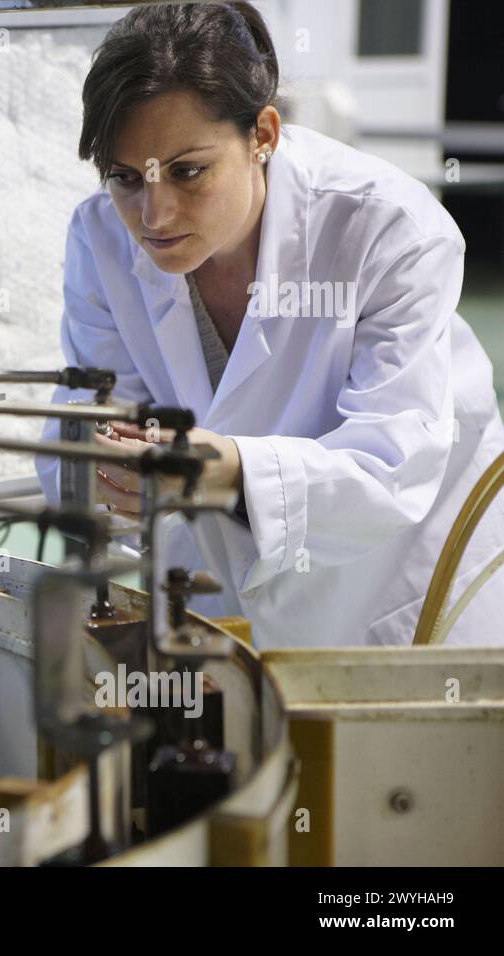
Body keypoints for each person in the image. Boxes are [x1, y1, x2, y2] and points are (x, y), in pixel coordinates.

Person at [36, 1, 504, 647]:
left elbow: (394, 465)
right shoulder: (99, 242)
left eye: (188, 171)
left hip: (404, 591)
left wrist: (228, 469)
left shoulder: (389, 230)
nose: (154, 215)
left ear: (264, 134)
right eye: (124, 178)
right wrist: (97, 469)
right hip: (227, 611)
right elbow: (95, 418)